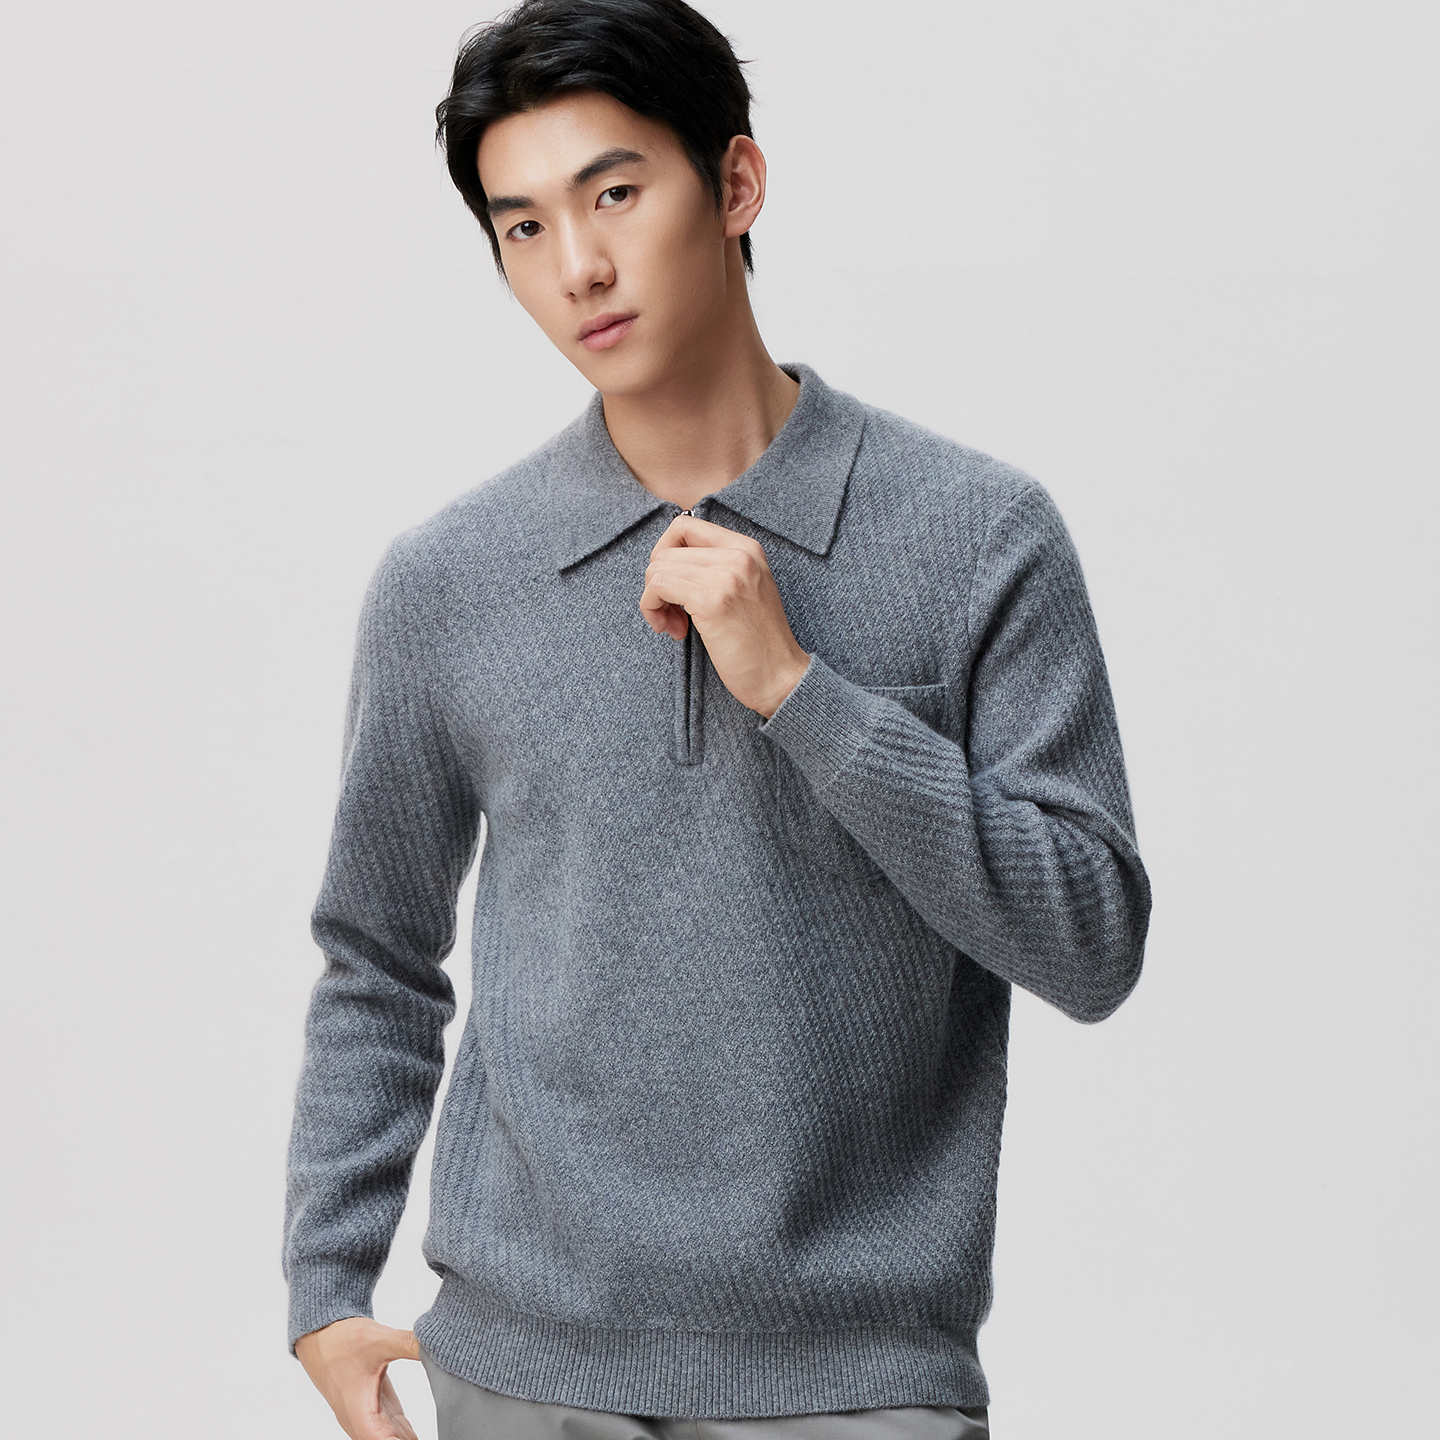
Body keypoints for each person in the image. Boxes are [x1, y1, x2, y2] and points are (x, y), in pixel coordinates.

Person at [281, 1, 1154, 1436]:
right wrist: (324, 1287)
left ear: (736, 182)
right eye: (522, 227)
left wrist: (805, 694)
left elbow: (1094, 942)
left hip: (857, 1384)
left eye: (616, 193)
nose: (578, 265)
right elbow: (377, 957)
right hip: (522, 1373)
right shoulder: (449, 581)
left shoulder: (977, 533)